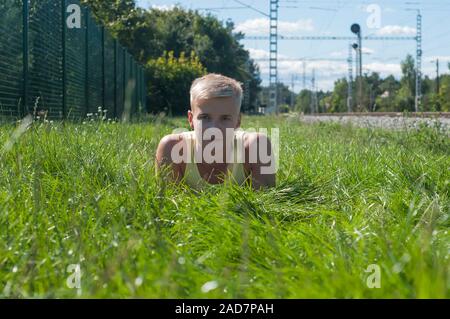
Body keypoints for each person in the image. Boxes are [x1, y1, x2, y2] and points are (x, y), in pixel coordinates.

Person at [156, 73, 276, 190]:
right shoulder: (172, 148)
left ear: (237, 122)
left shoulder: (257, 147)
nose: (214, 128)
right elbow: (167, 206)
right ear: (191, 119)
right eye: (205, 117)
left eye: (225, 118)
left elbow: (264, 205)